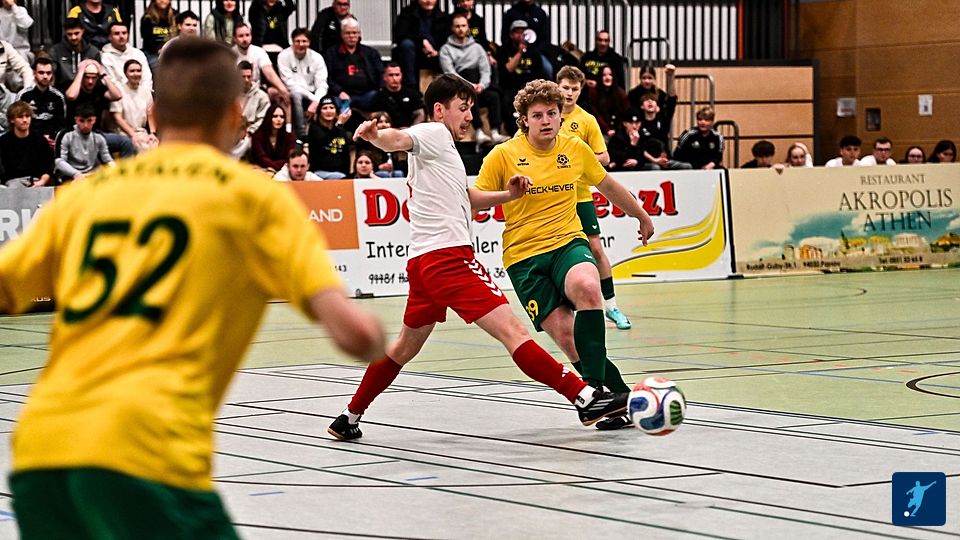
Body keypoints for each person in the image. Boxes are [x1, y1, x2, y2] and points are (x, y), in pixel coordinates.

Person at [3, 38, 384, 540]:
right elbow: (355, 334)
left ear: (154, 113)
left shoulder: (88, 195)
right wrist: (377, 335)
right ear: (235, 116)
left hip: (42, 452)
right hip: (148, 457)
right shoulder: (253, 200)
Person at [327, 73, 628, 441]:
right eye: (463, 108)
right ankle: (584, 397)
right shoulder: (434, 133)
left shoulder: (441, 153)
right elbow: (400, 139)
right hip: (449, 259)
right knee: (514, 332)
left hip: (422, 263)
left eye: (471, 109)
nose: (470, 116)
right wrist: (376, 137)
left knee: (403, 347)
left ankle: (349, 415)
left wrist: (508, 196)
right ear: (440, 110)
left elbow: (467, 197)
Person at [474, 79, 656, 430]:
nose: (545, 120)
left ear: (561, 116)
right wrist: (508, 196)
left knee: (588, 286)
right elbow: (475, 200)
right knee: (568, 338)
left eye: (552, 113)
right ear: (524, 120)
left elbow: (607, 184)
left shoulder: (574, 148)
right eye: (537, 115)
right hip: (524, 258)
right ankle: (617, 397)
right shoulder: (503, 155)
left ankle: (597, 394)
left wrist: (641, 215)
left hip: (567, 242)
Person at [556, 66, 630, 330]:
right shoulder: (546, 115)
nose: (569, 93)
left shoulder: (586, 120)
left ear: (581, 91)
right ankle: (565, 309)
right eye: (565, 88)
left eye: (574, 89)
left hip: (580, 196)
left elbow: (604, 157)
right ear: (557, 86)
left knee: (596, 250)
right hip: (551, 199)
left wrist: (576, 161)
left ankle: (611, 305)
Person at [439, 12, 508, 149]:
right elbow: (450, 73)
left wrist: (481, 85)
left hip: (478, 84)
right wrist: (469, 85)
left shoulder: (477, 47)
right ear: (452, 28)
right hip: (460, 86)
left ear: (468, 27)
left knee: (494, 96)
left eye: (463, 26)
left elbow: (485, 70)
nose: (461, 29)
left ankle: (495, 132)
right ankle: (479, 132)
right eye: (457, 26)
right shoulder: (446, 49)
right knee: (470, 96)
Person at [323, 17, 384, 112]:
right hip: (342, 95)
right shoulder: (331, 54)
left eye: (354, 33)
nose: (351, 36)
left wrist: (379, 89)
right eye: (347, 33)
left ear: (359, 34)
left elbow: (381, 74)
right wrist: (339, 92)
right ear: (341, 34)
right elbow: (328, 78)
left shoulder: (371, 53)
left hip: (368, 94)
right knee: (335, 104)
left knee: (381, 99)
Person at [496, 19, 545, 134]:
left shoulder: (534, 52)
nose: (521, 35)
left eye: (523, 32)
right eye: (517, 32)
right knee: (507, 102)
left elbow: (539, 75)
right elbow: (507, 70)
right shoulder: (504, 50)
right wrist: (520, 52)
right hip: (509, 87)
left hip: (528, 88)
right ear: (511, 34)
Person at [233, 23, 290, 121]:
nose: (245, 39)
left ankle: (288, 127)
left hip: (257, 89)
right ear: (234, 38)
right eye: (241, 36)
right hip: (237, 90)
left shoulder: (259, 51)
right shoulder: (230, 54)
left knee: (281, 94)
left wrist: (283, 89)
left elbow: (269, 72)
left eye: (247, 35)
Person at [278, 27, 328, 137]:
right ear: (292, 41)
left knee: (326, 99)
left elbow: (322, 84)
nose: (301, 44)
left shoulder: (317, 58)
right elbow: (290, 83)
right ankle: (301, 134)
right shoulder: (283, 56)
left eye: (304, 41)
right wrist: (314, 98)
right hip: (293, 92)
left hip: (313, 92)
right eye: (297, 41)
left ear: (309, 42)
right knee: (296, 94)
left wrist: (316, 100)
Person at [392, 0, 449, 89]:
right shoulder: (407, 14)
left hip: (436, 54)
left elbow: (447, 38)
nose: (429, 1)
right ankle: (411, 86)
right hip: (414, 53)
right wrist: (422, 41)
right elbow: (400, 34)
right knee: (406, 45)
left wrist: (437, 51)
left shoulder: (443, 17)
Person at [54, 102, 113, 181]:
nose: (85, 125)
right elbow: (59, 161)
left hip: (91, 175)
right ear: (76, 120)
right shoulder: (65, 134)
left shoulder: (99, 137)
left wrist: (116, 170)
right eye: (81, 121)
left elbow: (107, 160)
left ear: (94, 120)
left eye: (89, 121)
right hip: (69, 175)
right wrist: (75, 173)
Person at [0, 100, 53, 187]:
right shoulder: (4, 142)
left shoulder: (40, 140)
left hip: (37, 181)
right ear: (12, 120)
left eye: (27, 116)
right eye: (20, 117)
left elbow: (47, 169)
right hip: (13, 182)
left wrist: (41, 182)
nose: (25, 120)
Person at [16, 57, 67, 145]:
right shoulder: (23, 95)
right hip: (28, 140)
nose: (45, 76)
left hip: (51, 141)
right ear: (34, 73)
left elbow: (61, 124)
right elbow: (16, 121)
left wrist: (51, 138)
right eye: (41, 73)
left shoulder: (58, 97)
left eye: (48, 73)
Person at [110, 59, 157, 152]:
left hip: (141, 132)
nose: (136, 74)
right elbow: (118, 118)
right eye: (132, 71)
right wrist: (133, 135)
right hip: (122, 133)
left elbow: (150, 114)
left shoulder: (146, 92)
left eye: (138, 71)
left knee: (155, 144)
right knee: (143, 148)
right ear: (125, 73)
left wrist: (153, 133)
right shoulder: (119, 90)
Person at [637, 92, 689, 170]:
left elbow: (672, 102)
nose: (650, 101)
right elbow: (639, 148)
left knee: (687, 166)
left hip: (665, 160)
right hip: (648, 161)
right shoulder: (639, 124)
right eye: (646, 100)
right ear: (642, 106)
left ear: (657, 107)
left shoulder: (663, 120)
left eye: (653, 100)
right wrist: (655, 160)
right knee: (656, 168)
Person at [48, 18, 101, 92]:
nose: (73, 37)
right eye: (69, 34)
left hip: (88, 92)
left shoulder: (93, 51)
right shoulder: (56, 50)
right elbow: (51, 73)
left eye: (76, 33)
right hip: (63, 90)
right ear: (65, 32)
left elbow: (98, 77)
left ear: (83, 31)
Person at [306, 95, 353, 178]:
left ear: (336, 111)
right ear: (319, 112)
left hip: (341, 174)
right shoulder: (314, 128)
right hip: (319, 172)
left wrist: (347, 175)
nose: (328, 111)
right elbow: (324, 141)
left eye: (331, 107)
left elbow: (346, 155)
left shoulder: (341, 130)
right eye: (325, 108)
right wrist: (338, 125)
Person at [369, 63, 425, 129]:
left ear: (401, 76)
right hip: (388, 131)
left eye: (397, 75)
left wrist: (411, 130)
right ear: (384, 77)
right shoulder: (378, 97)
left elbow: (420, 115)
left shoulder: (412, 94)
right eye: (391, 75)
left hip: (410, 130)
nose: (394, 78)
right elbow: (375, 119)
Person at [101, 22, 152, 91]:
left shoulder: (138, 53)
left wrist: (144, 93)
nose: (121, 36)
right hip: (119, 95)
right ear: (109, 37)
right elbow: (111, 81)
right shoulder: (105, 57)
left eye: (124, 33)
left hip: (142, 93)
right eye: (117, 33)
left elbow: (147, 78)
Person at [674, 106, 723, 170]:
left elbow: (718, 156)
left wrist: (711, 165)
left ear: (712, 122)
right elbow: (677, 154)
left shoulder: (717, 137)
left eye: (706, 120)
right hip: (689, 167)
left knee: (723, 170)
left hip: (709, 168)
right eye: (700, 119)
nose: (703, 122)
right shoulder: (688, 134)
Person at [250, 102, 295, 171]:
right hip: (262, 170)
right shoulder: (257, 137)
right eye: (275, 116)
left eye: (282, 117)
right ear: (269, 117)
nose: (279, 119)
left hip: (283, 171)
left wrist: (273, 167)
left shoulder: (289, 137)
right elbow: (261, 158)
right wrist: (275, 166)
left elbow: (290, 158)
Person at [586, 64, 627, 137]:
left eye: (610, 75)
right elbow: (595, 113)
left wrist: (617, 130)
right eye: (604, 75)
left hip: (618, 131)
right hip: (599, 130)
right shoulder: (593, 92)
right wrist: (607, 129)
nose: (607, 77)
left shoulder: (620, 93)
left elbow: (624, 113)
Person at [139, 0, 176, 69]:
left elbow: (178, 36)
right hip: (153, 53)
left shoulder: (175, 15)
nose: (162, 1)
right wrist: (159, 50)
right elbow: (147, 39)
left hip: (172, 52)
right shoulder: (147, 18)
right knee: (159, 69)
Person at [0, 0, 33, 66]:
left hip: (20, 52)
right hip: (2, 53)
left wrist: (13, 6)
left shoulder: (21, 10)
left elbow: (26, 24)